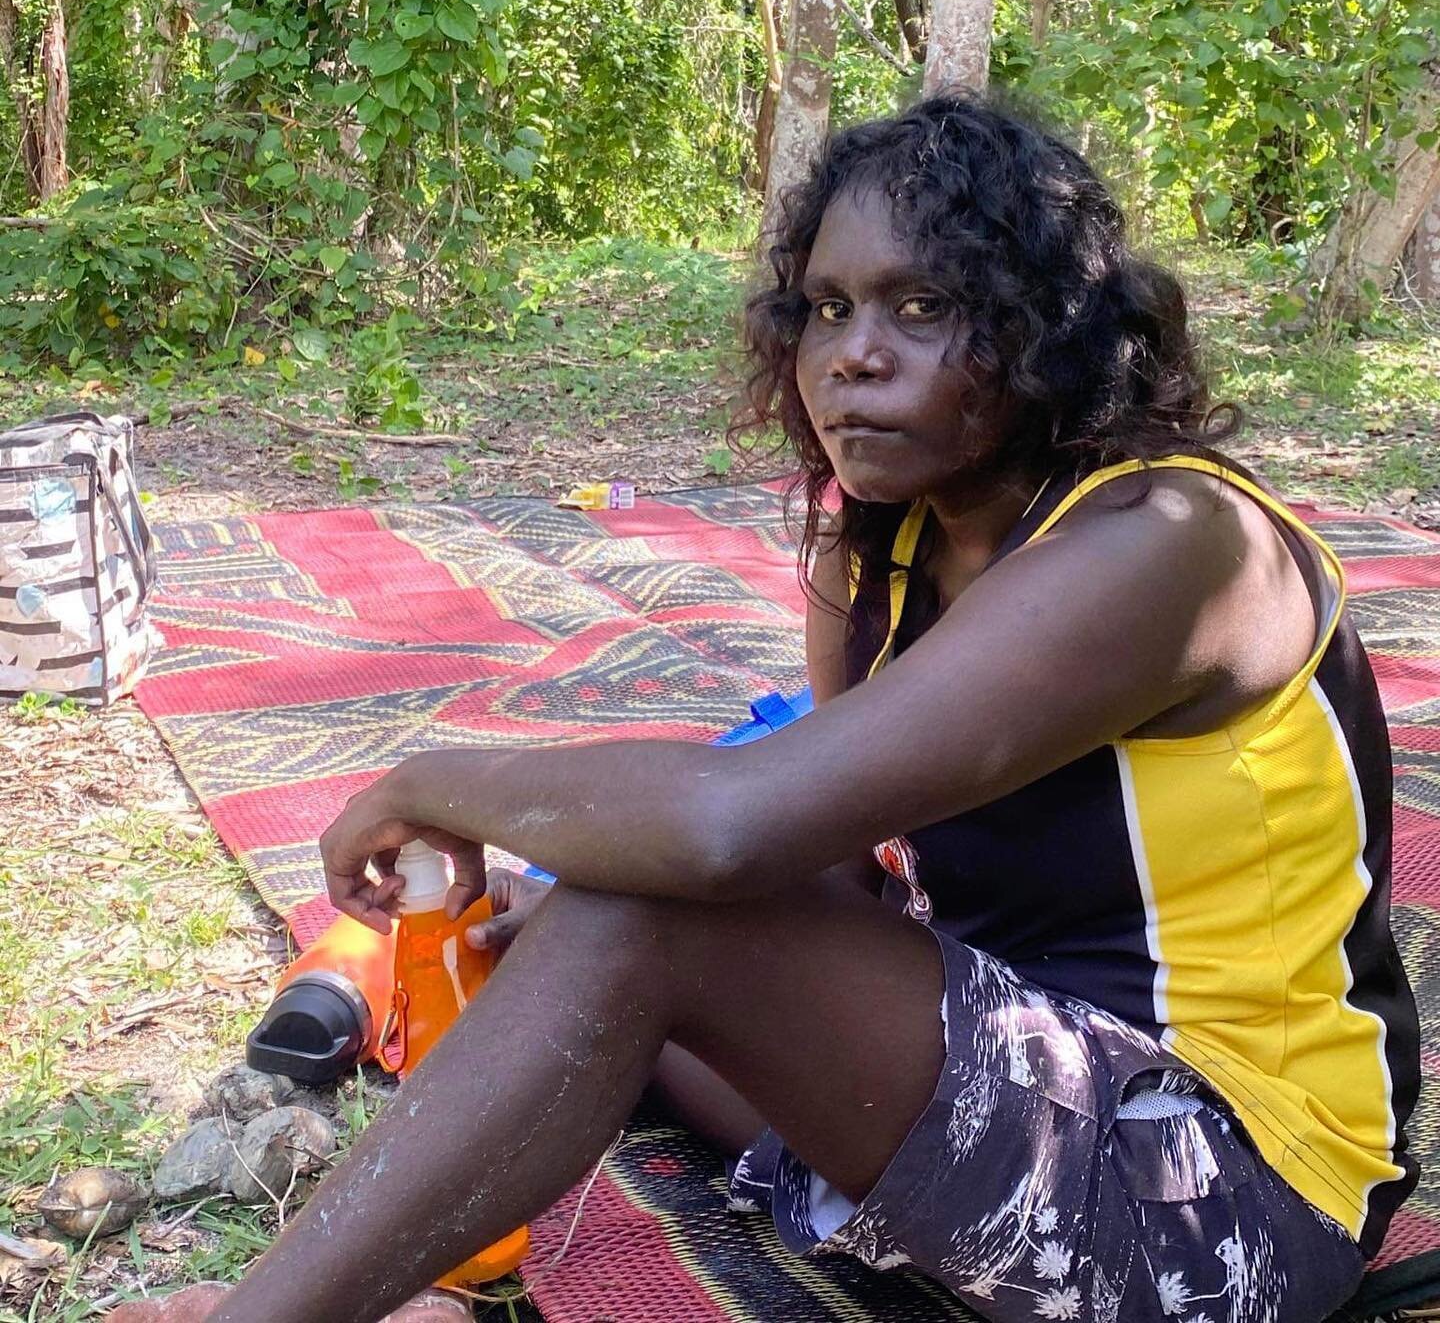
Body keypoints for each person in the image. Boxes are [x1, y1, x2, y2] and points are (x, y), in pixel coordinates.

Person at [113, 93, 1418, 1323]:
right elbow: (825, 879)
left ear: (1045, 325)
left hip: (1227, 1199)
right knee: (572, 940)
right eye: (826, 308)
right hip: (1015, 1097)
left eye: (923, 307)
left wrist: (429, 778)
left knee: (640, 917)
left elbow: (735, 826)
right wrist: (579, 933)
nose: (853, 356)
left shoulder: (1169, 541)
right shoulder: (881, 556)